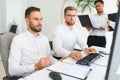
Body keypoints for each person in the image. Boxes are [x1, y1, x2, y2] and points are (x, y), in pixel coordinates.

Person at [8, 6, 58, 77]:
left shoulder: (44, 38)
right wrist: (36, 66)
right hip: (31, 76)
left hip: (47, 74)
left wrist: (61, 61)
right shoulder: (18, 40)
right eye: (36, 19)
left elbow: (49, 57)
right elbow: (12, 70)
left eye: (41, 19)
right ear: (27, 21)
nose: (40, 22)